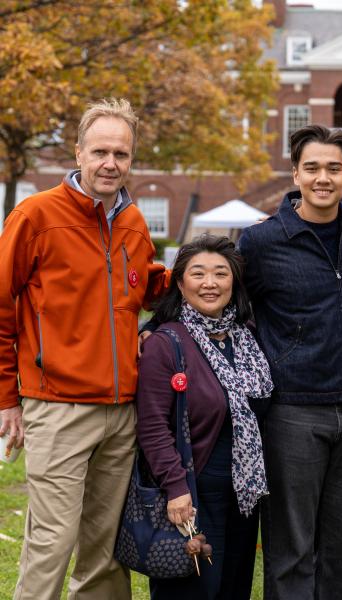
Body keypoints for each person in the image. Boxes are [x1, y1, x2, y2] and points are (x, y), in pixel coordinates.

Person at [0, 98, 169, 600]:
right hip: (58, 406)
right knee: (53, 541)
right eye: (99, 151)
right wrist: (8, 398)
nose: (110, 163)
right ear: (78, 152)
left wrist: (192, 275)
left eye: (121, 153)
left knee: (105, 548)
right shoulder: (35, 215)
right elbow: (2, 308)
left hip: (122, 413)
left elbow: (137, 287)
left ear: (131, 159)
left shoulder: (133, 221)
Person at [238, 125, 342, 599]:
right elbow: (224, 302)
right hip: (292, 413)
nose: (324, 178)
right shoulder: (261, 242)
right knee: (291, 549)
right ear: (296, 173)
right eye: (313, 168)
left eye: (333, 169)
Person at [137, 235, 272, 599]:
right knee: (194, 588)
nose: (210, 283)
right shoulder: (166, 343)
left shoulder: (246, 338)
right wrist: (176, 487)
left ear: (234, 282)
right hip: (193, 488)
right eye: (198, 274)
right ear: (180, 284)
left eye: (220, 273)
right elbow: (152, 426)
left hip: (244, 488)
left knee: (233, 587)